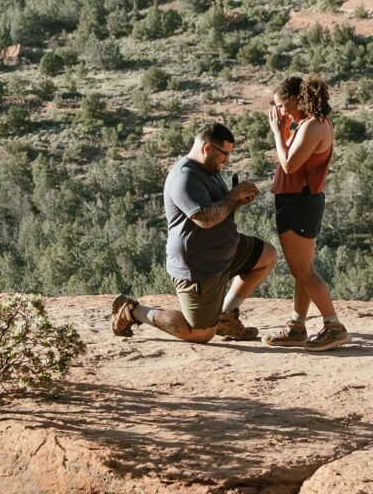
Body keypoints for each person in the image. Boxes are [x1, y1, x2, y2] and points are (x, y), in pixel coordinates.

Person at [112, 122, 277, 344]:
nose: (227, 160)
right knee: (199, 334)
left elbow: (219, 210)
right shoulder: (185, 177)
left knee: (266, 257)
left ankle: (226, 316)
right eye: (225, 154)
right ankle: (133, 311)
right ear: (208, 149)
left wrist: (237, 201)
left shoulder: (210, 169)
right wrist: (234, 194)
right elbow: (205, 219)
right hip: (199, 266)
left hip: (224, 251)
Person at [262, 76, 351, 352]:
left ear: (295, 99)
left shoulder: (314, 126)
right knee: (302, 271)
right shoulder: (309, 123)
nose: (282, 112)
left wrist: (278, 132)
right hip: (301, 201)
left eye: (283, 105)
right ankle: (297, 326)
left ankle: (334, 326)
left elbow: (289, 165)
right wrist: (286, 127)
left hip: (298, 203)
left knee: (304, 272)